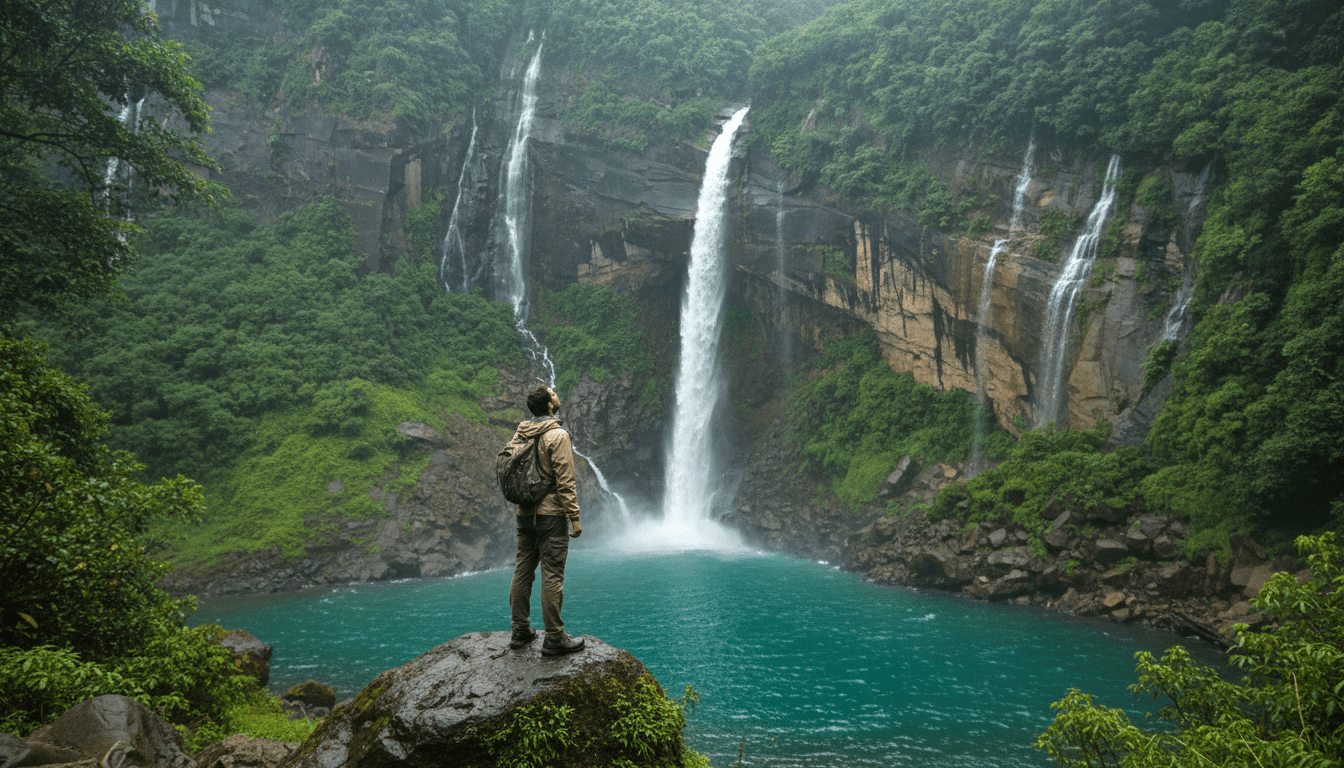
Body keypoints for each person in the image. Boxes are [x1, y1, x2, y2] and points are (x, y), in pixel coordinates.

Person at [508, 385, 585, 656]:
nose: (556, 394)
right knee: (552, 574)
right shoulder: (557, 434)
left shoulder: (521, 432)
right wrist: (574, 517)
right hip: (551, 514)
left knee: (523, 569)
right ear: (550, 404)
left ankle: (520, 630)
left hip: (524, 511)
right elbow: (565, 479)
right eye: (553, 393)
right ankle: (554, 636)